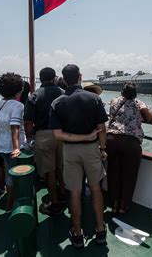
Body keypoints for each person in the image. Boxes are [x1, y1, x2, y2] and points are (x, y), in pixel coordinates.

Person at [48, 64, 107, 249]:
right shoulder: (94, 98)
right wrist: (102, 147)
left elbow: (57, 135)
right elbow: (102, 128)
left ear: (64, 80)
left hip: (70, 151)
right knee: (96, 189)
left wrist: (80, 138)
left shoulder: (57, 102)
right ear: (80, 76)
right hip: (91, 149)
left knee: (74, 192)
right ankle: (100, 230)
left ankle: (77, 232)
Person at [106, 82, 152, 214]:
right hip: (130, 142)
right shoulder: (139, 104)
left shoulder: (114, 101)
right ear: (135, 93)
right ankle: (123, 206)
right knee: (129, 175)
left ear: (122, 92)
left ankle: (114, 203)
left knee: (113, 172)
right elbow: (151, 119)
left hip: (111, 140)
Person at [24, 67, 65, 215]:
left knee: (49, 171)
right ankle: (63, 194)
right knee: (61, 167)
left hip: (44, 135)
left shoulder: (34, 96)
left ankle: (54, 203)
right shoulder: (63, 93)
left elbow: (28, 122)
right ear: (54, 77)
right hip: (62, 134)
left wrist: (30, 138)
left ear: (40, 79)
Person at [0, 73, 25, 211]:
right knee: (15, 175)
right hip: (14, 148)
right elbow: (15, 127)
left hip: (1, 145)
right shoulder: (17, 105)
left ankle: (10, 200)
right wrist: (16, 147)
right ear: (18, 89)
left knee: (9, 172)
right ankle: (12, 202)